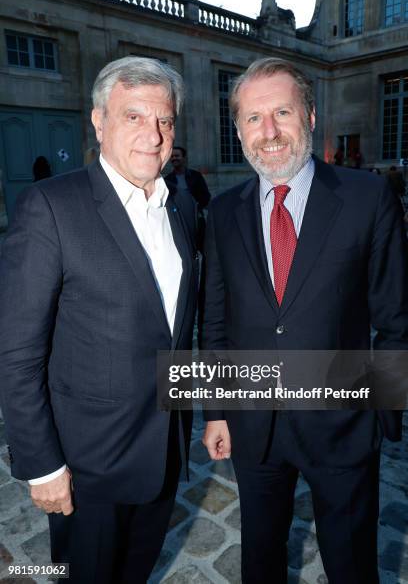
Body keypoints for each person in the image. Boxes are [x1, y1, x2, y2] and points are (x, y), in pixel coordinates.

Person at [200, 57, 408, 583]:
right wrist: (216, 411)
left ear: (311, 117)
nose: (268, 132)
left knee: (351, 562)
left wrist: (382, 414)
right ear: (240, 129)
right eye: (252, 118)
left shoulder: (367, 198)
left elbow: (396, 318)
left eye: (282, 113)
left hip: (342, 426)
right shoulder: (222, 212)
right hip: (254, 426)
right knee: (261, 556)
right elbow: (216, 323)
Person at [0, 57, 199, 584]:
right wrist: (42, 465)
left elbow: (176, 333)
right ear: (98, 121)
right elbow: (17, 351)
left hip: (163, 454)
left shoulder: (180, 208)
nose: (153, 136)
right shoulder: (50, 206)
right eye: (134, 117)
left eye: (164, 121)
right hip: (87, 468)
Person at [165, 146, 211, 250]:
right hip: (179, 222)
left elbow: (206, 196)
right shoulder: (168, 180)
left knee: (203, 249)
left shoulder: (196, 176)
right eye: (172, 156)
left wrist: (197, 207)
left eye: (177, 156)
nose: (174, 158)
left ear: (184, 158)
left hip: (196, 220)